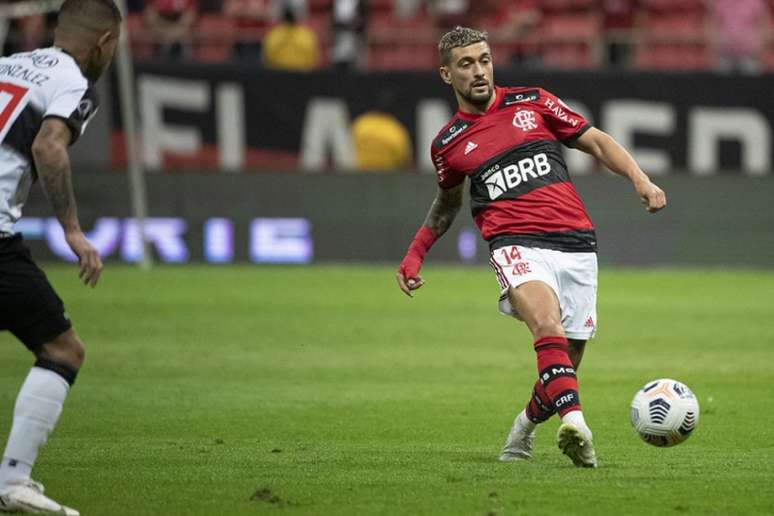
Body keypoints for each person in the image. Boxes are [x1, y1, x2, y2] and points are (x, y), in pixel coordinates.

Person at [396, 26, 666, 468]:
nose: (479, 71)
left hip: (575, 241)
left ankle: (523, 428)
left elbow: (595, 139)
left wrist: (640, 178)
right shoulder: (447, 144)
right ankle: (577, 424)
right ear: (447, 75)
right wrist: (415, 253)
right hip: (514, 243)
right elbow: (447, 203)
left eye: (484, 59)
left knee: (567, 357)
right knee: (545, 323)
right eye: (466, 64)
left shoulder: (533, 102)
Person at [0, 0, 119, 513]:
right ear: (105, 44)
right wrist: (72, 230)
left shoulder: (7, 65)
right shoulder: (71, 80)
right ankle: (12, 480)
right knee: (62, 349)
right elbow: (51, 146)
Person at [352, 90, 412, 171]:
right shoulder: (396, 129)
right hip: (386, 178)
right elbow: (404, 161)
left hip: (359, 174)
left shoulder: (361, 123)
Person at [262, 7, 320, 71]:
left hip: (299, 73)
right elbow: (268, 59)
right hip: (282, 73)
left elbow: (313, 58)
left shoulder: (274, 34)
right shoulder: (306, 34)